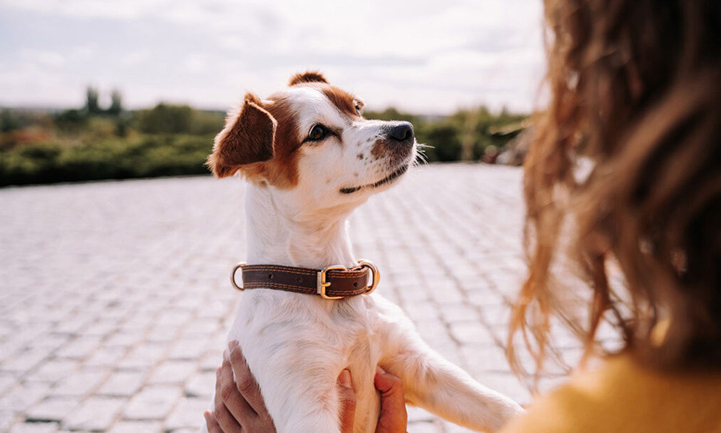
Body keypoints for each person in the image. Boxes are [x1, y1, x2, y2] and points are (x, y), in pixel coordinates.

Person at [205, 0, 721, 431]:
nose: (379, 131)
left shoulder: (365, 303)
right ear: (259, 169)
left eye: (353, 113)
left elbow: (432, 379)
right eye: (321, 135)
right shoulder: (275, 334)